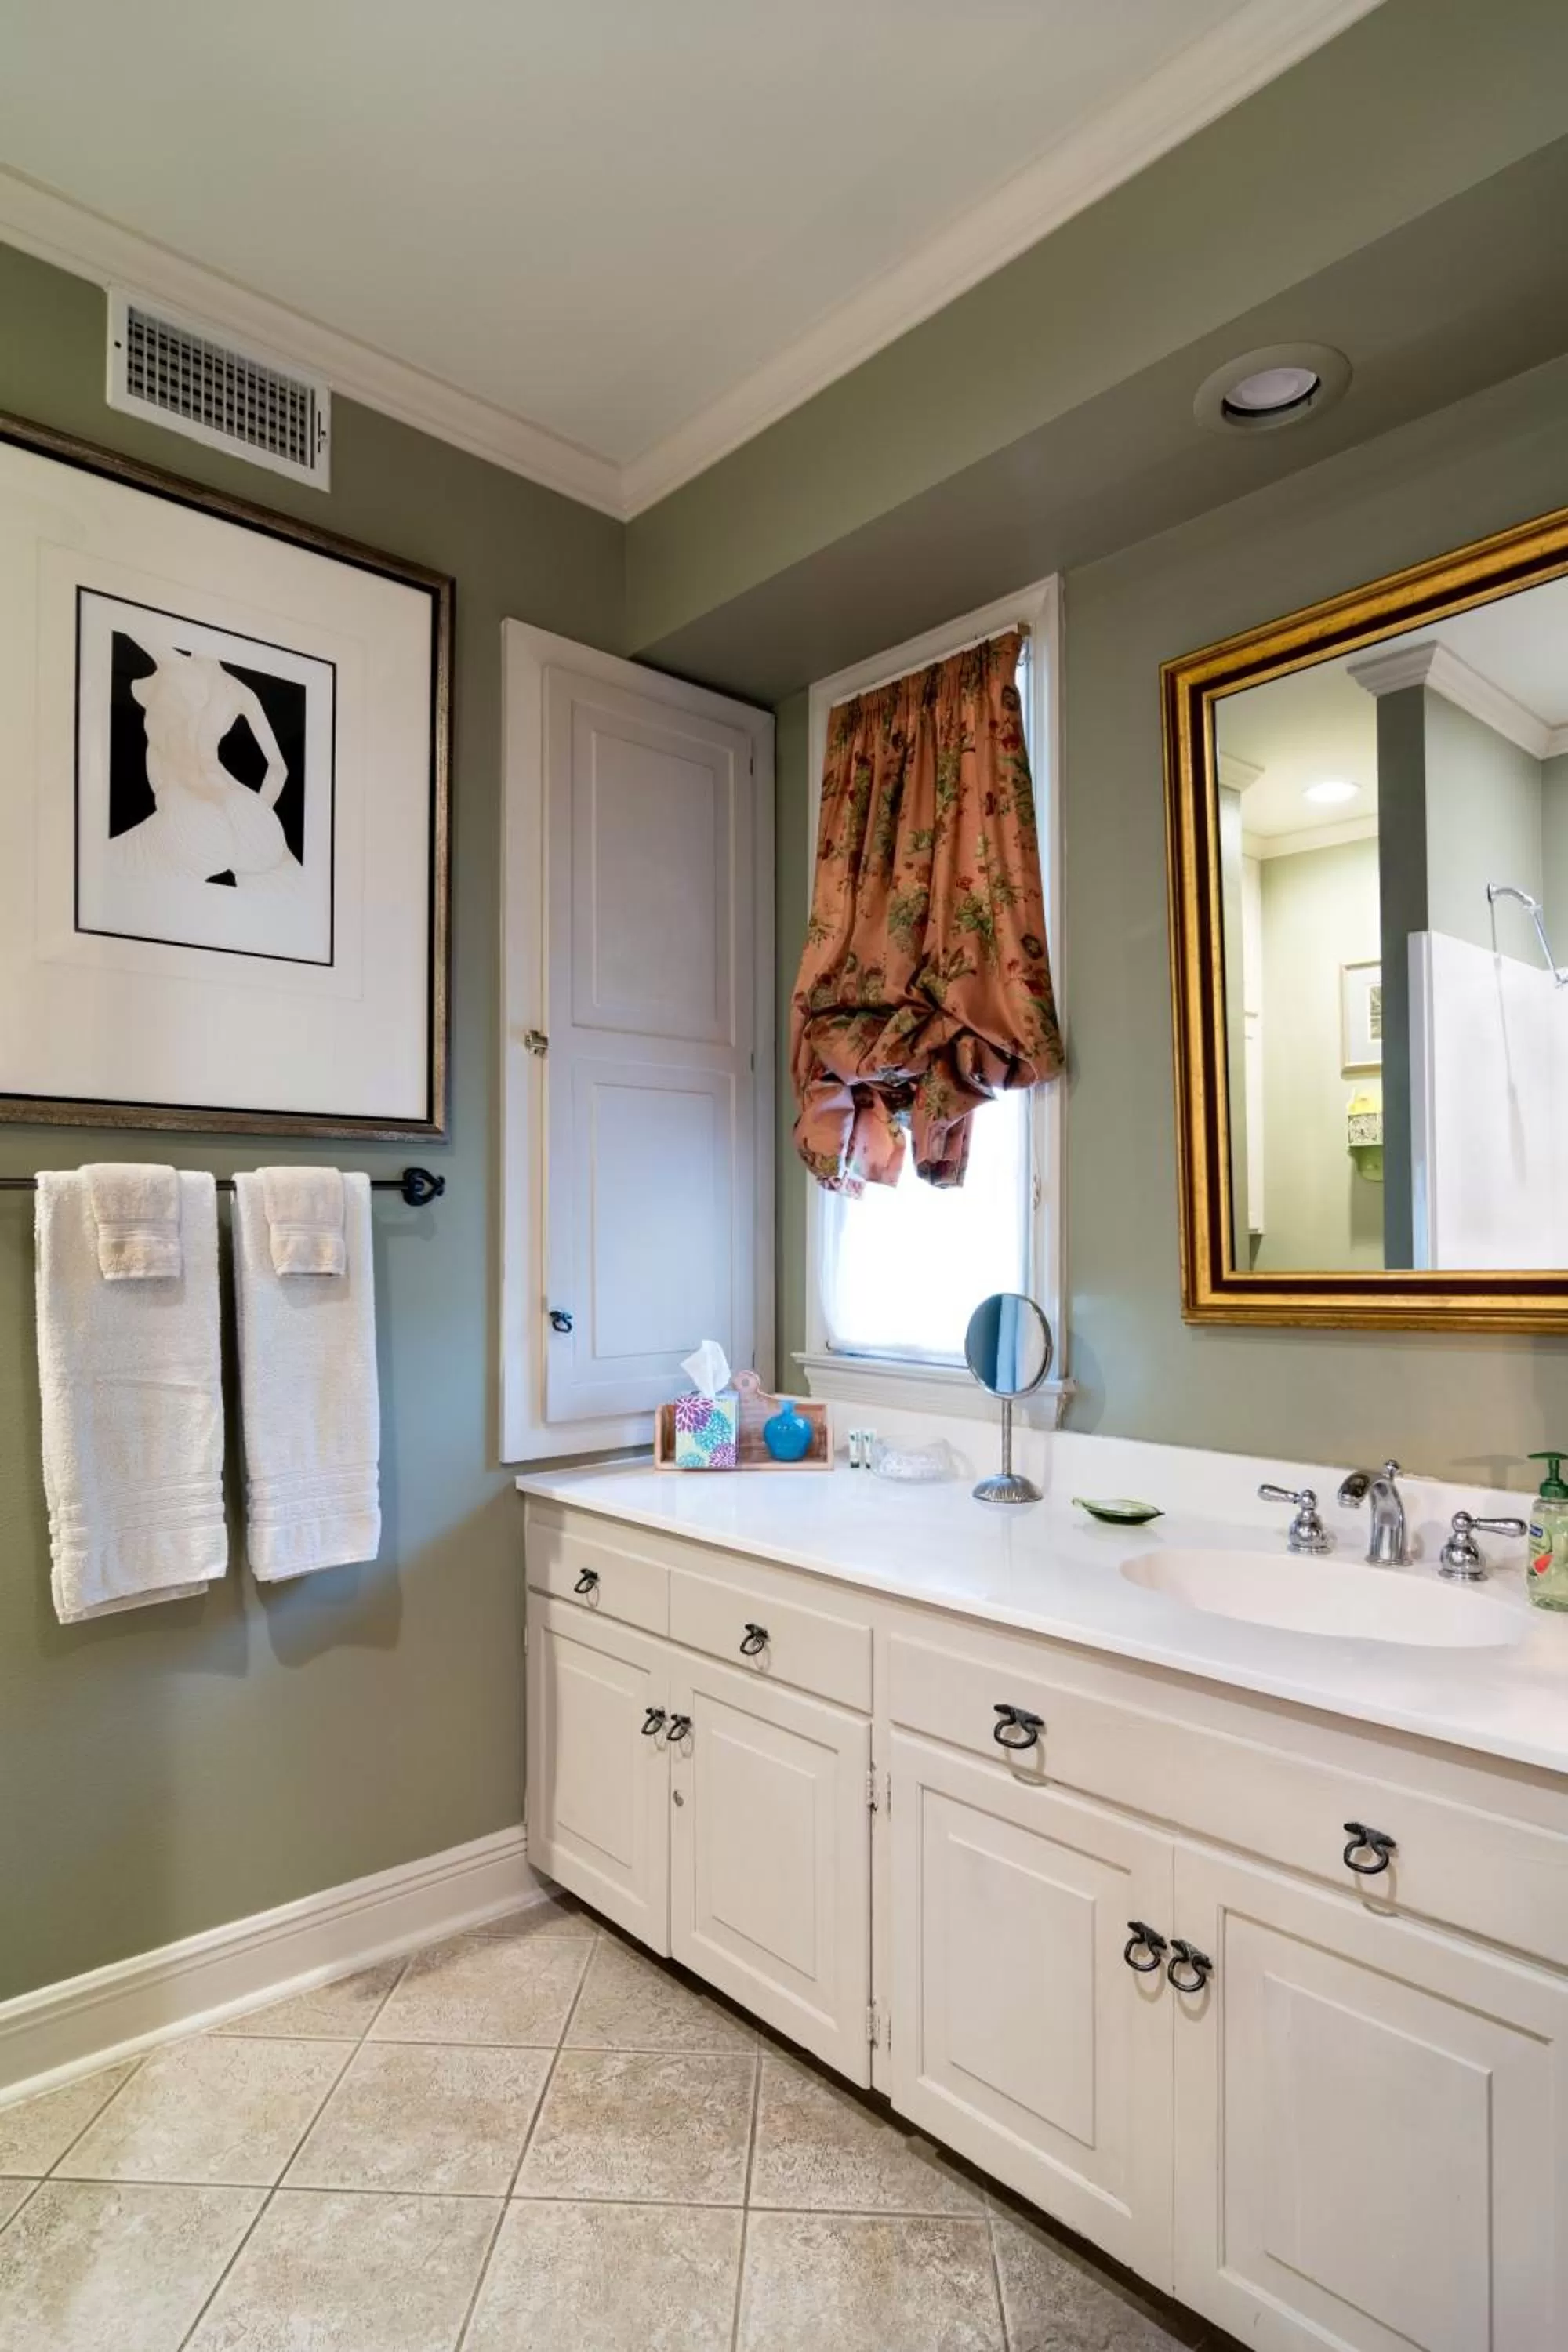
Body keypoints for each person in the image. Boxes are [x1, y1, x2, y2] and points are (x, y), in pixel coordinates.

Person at [110, 638, 302, 892]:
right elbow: (279, 770)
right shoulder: (242, 693)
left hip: (186, 802)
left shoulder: (175, 667)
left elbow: (131, 619)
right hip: (240, 803)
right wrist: (251, 815)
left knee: (115, 878)